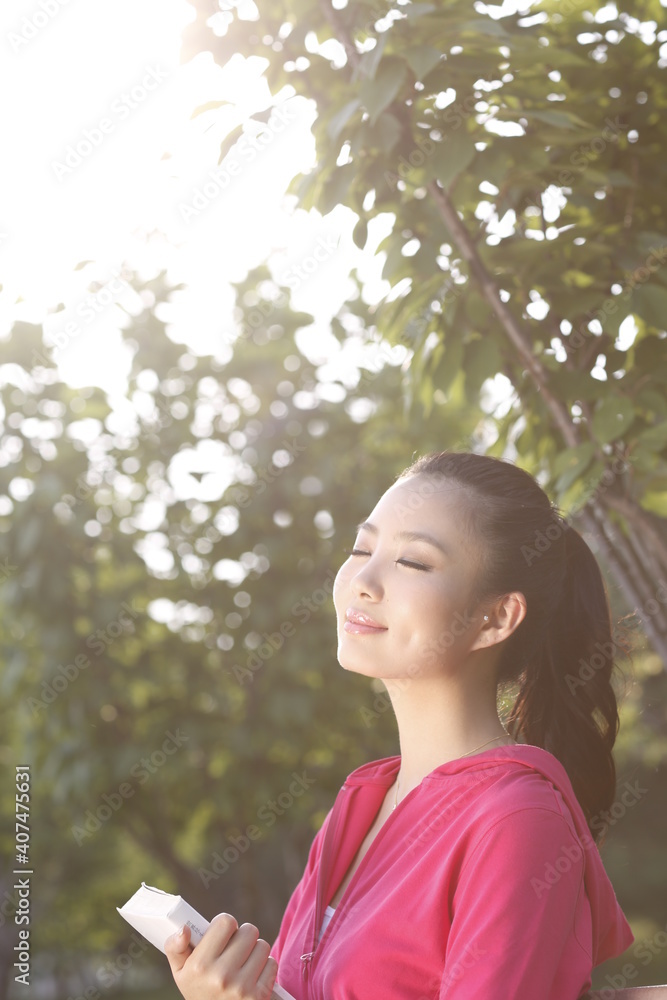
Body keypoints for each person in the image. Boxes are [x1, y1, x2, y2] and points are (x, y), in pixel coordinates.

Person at [166, 450, 635, 1000]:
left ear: (498, 617)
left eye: (412, 562)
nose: (362, 580)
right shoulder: (363, 802)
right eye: (362, 548)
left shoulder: (516, 819)